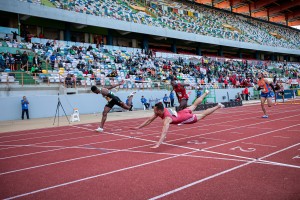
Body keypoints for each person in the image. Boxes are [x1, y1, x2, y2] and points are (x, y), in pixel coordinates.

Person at [131, 90, 224, 148]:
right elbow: (149, 120)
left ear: (159, 110)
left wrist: (158, 144)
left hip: (186, 117)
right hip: (183, 112)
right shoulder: (162, 110)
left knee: (203, 115)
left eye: (155, 110)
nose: (154, 112)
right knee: (194, 105)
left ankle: (218, 106)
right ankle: (206, 92)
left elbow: (164, 132)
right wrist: (138, 127)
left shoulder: (167, 119)